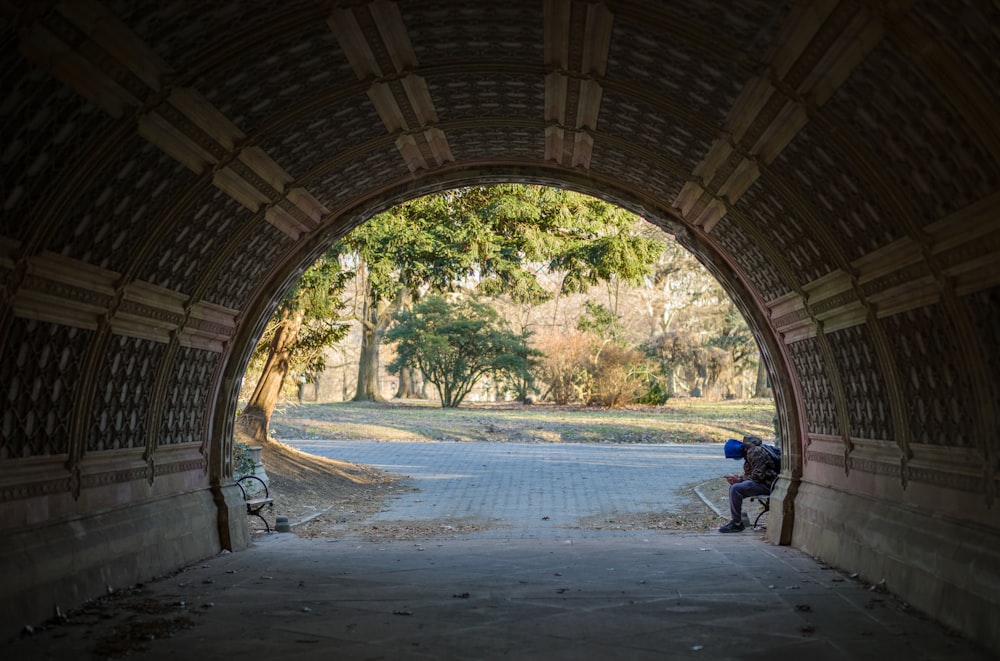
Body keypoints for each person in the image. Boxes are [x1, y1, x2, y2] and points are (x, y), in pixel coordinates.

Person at [718, 435, 779, 533]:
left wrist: (739, 480)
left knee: (735, 488)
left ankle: (736, 523)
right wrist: (739, 478)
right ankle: (736, 522)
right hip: (767, 482)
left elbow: (758, 476)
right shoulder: (750, 452)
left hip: (770, 484)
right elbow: (753, 474)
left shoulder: (754, 452)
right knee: (736, 487)